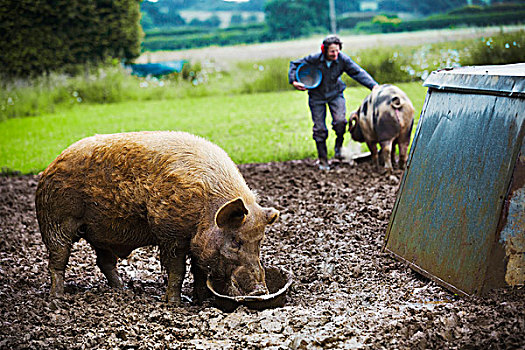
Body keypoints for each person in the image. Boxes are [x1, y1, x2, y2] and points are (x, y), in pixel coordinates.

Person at [288, 35, 378, 170]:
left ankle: (338, 148)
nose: (335, 54)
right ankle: (323, 160)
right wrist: (294, 81)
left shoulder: (342, 59)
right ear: (324, 50)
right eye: (332, 51)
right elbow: (294, 65)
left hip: (335, 94)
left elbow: (358, 72)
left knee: (340, 122)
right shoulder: (315, 59)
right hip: (317, 96)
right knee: (319, 129)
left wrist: (374, 86)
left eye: (337, 51)